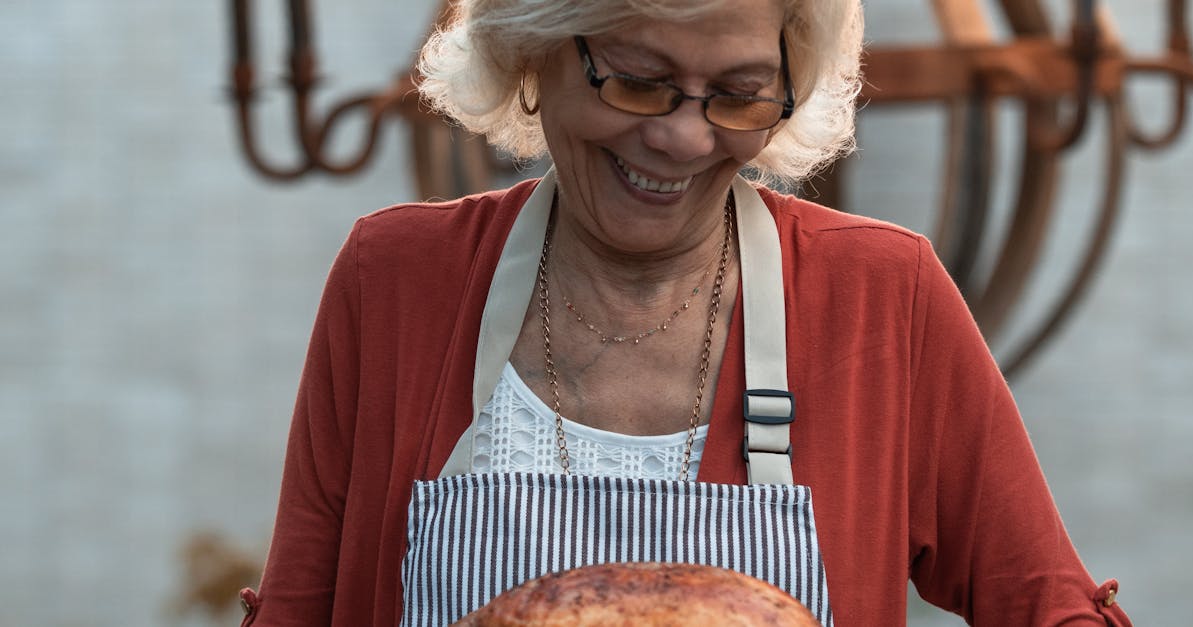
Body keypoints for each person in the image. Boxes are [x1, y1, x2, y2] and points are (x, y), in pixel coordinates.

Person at [239, 0, 1132, 625]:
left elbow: (1047, 606)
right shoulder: (395, 280)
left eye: (740, 93)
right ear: (533, 55)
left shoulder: (881, 296)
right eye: (637, 80)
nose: (683, 137)